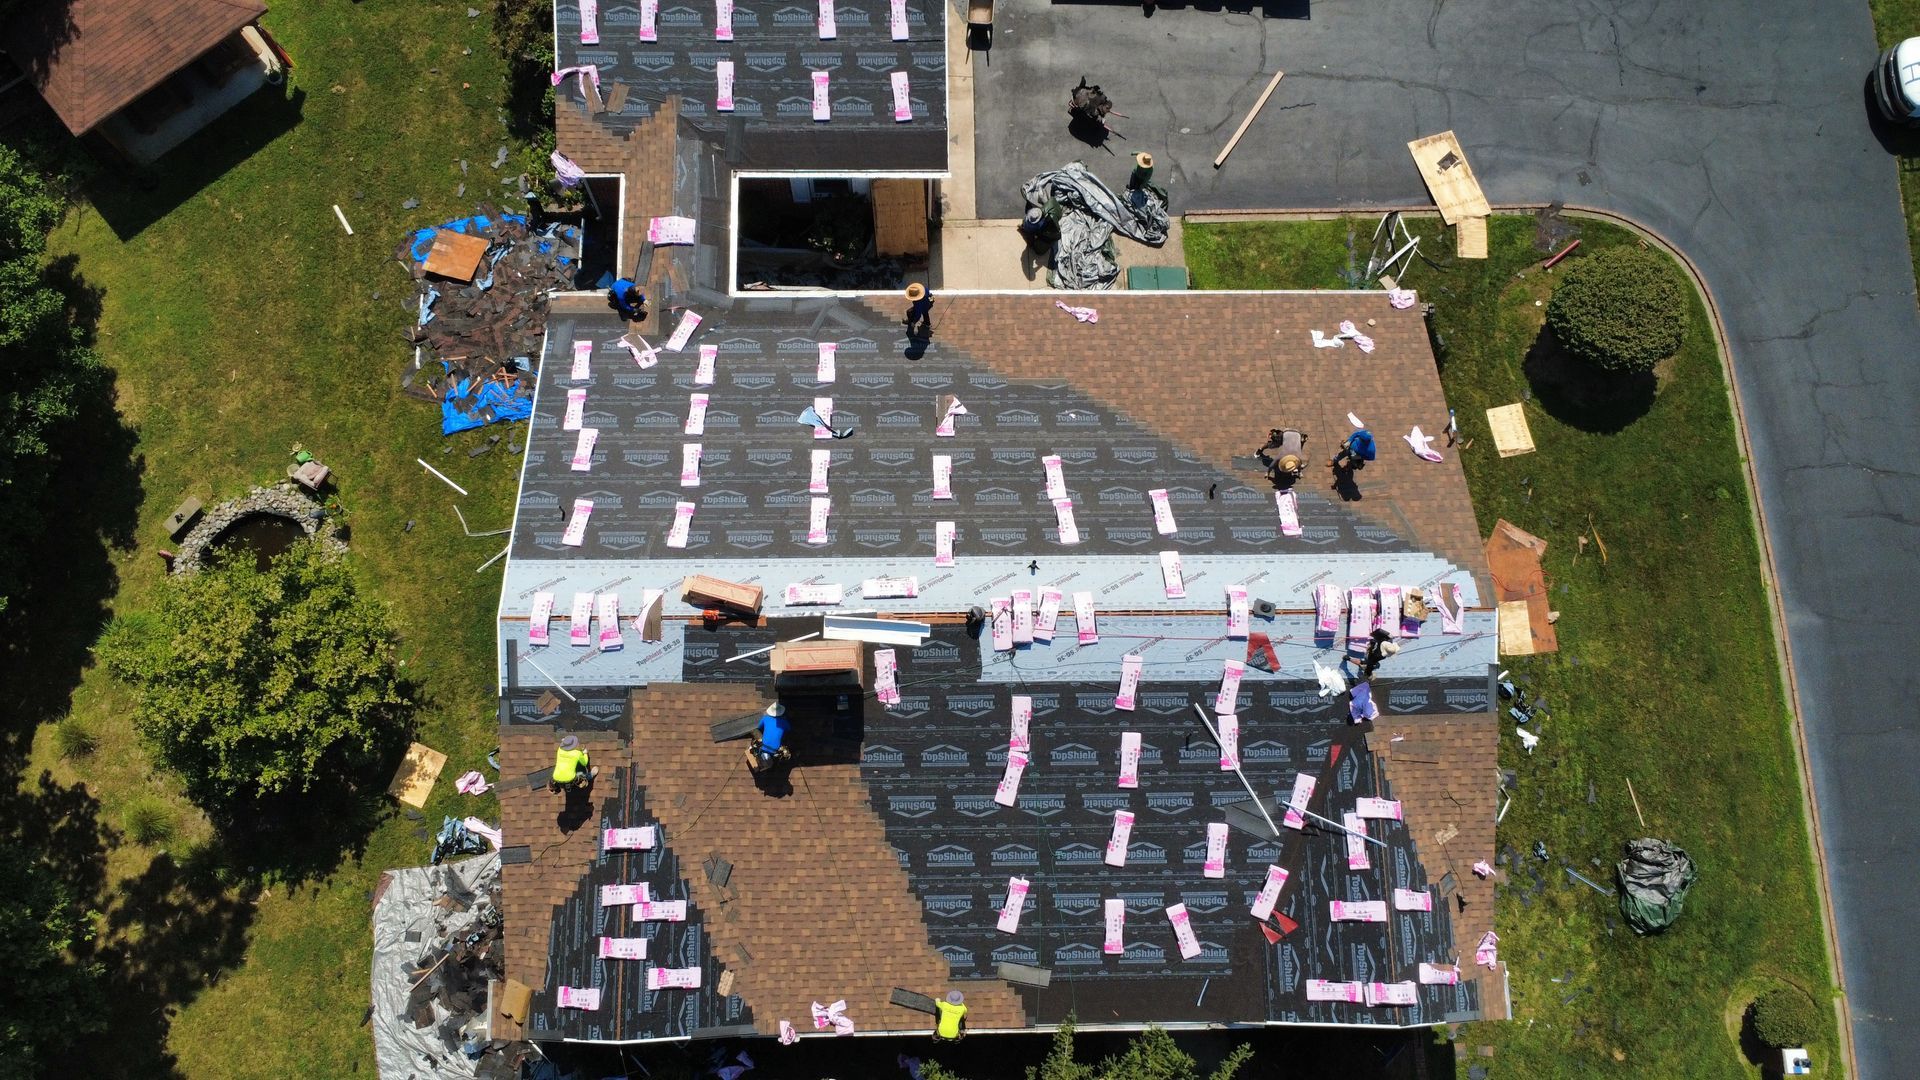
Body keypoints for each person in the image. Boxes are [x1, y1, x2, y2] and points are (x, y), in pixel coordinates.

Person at [746, 703, 792, 773]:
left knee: (753, 730)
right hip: (775, 750)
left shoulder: (766, 718)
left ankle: (761, 756)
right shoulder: (785, 722)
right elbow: (789, 729)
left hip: (763, 746)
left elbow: (759, 727)